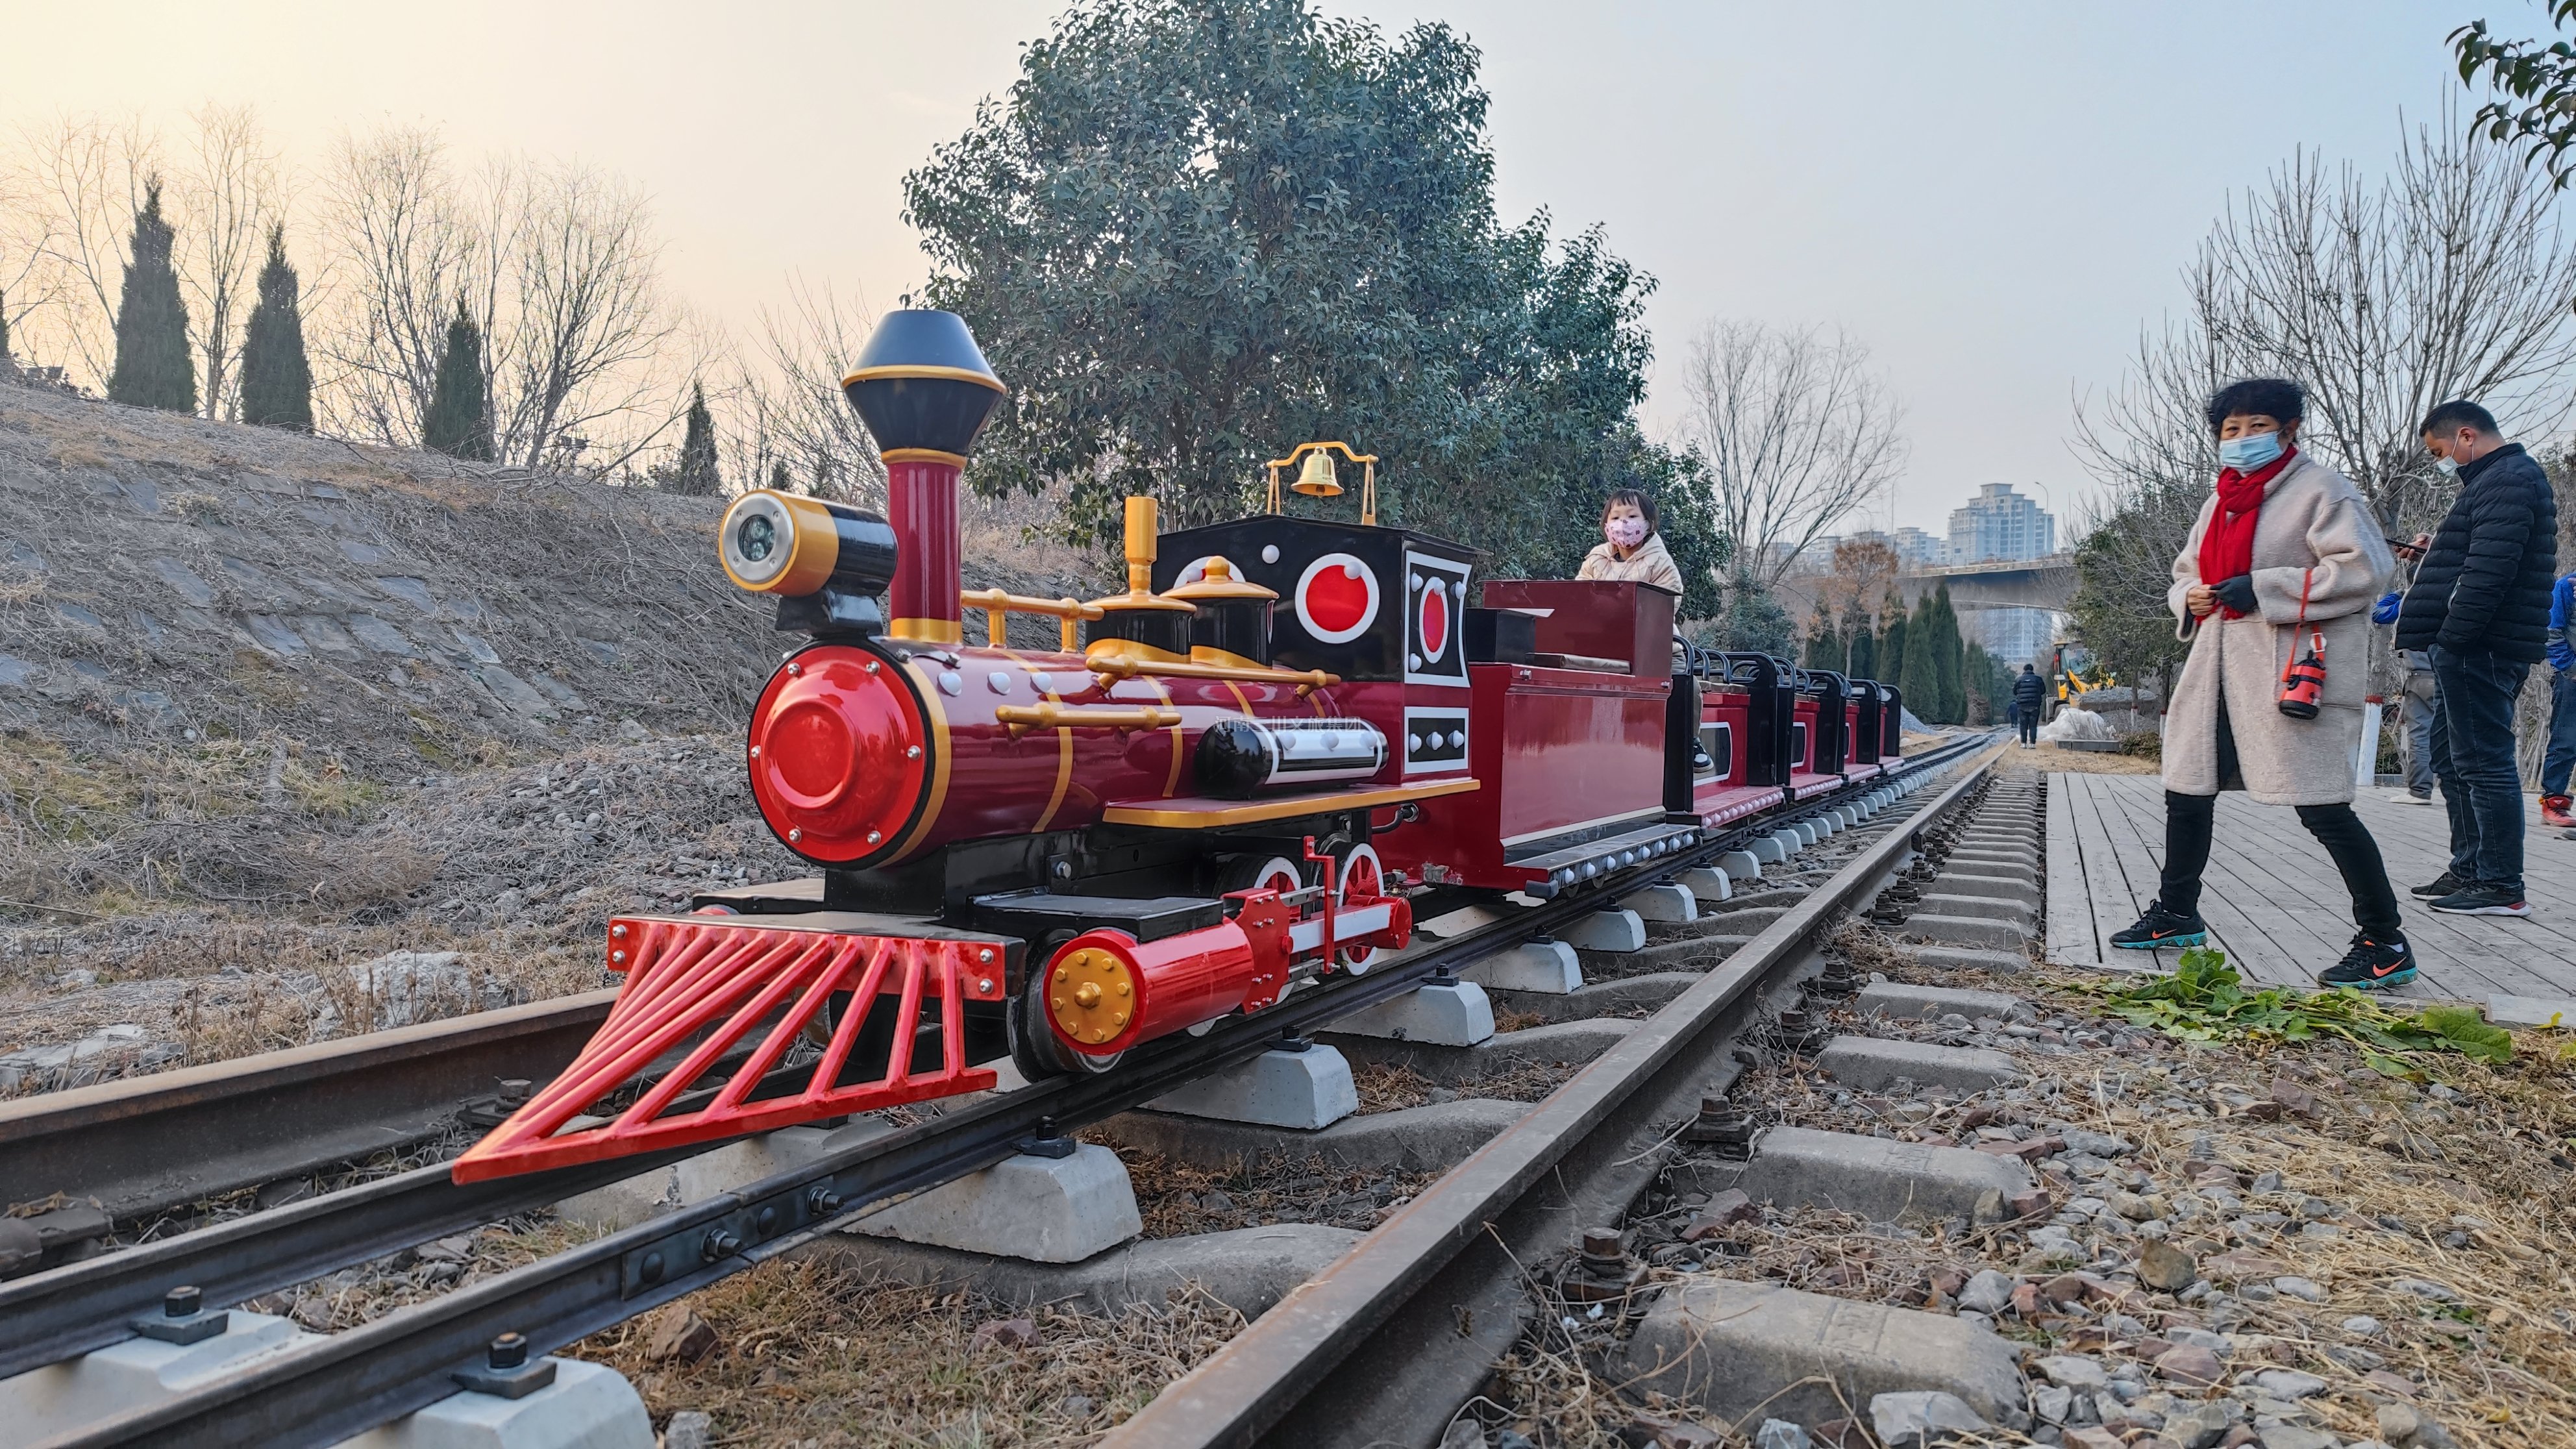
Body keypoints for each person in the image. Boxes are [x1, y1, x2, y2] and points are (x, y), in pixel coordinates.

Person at [2109, 378, 2412, 988]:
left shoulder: (2322, 490)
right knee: (2187, 790)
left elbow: (2367, 569)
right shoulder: (2218, 502)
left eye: (2256, 426)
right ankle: (2176, 913)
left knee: (2323, 806)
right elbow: (2186, 573)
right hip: (2219, 666)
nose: (2242, 439)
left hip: (2289, 670)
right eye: (2231, 430)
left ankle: (2386, 941)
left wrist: (2268, 587)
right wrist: (2187, 597)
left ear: (2289, 430)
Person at [2394, 399, 2558, 917]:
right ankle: (2470, 867)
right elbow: (2480, 553)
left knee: (2484, 764)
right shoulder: (2497, 481)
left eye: (2442, 452)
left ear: (2467, 436)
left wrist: (2453, 638)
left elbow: (2490, 574)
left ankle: (2501, 884)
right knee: (2451, 757)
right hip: (2474, 646)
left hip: (2481, 647)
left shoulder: (2508, 478)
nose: (2446, 462)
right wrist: (2435, 552)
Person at [1578, 489, 1686, 595]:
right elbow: (1579, 596)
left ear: (1649, 525)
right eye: (1615, 517)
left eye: (1632, 516)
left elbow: (1665, 605)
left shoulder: (1660, 563)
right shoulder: (1596, 559)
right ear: (1606, 524)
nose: (1622, 523)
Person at [2540, 570, 2576, 829]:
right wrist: (2571, 669)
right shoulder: (2566, 587)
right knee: (2566, 740)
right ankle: (2554, 801)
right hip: (2572, 677)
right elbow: (2552, 632)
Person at [2012, 663, 2044, 747]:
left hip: (2022, 705)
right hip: (2035, 705)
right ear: (2032, 670)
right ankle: (2032, 744)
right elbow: (2043, 691)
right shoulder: (2038, 679)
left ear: (2024, 670)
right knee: (2033, 725)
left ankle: (2024, 743)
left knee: (2023, 724)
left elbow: (2014, 692)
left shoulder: (2019, 680)